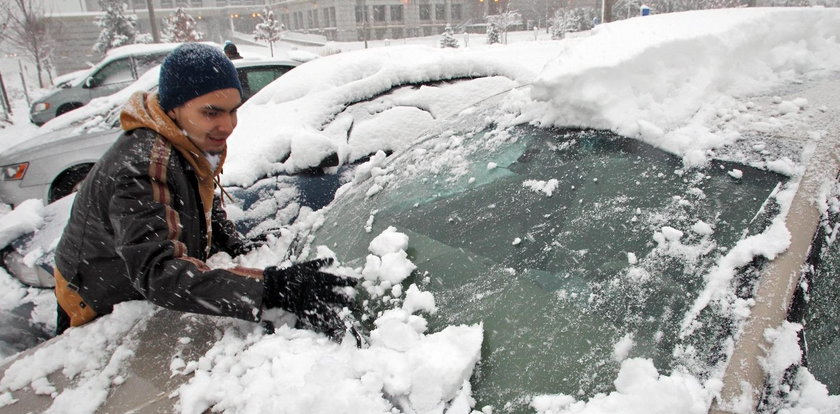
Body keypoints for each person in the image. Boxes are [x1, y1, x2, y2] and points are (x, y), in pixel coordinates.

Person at [53, 43, 354, 339]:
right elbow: (157, 272)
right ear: (174, 108)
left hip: (135, 282)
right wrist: (272, 288)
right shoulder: (145, 165)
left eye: (233, 111)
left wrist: (235, 245)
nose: (227, 125)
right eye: (212, 112)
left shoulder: (187, 138)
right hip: (97, 297)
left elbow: (202, 203)